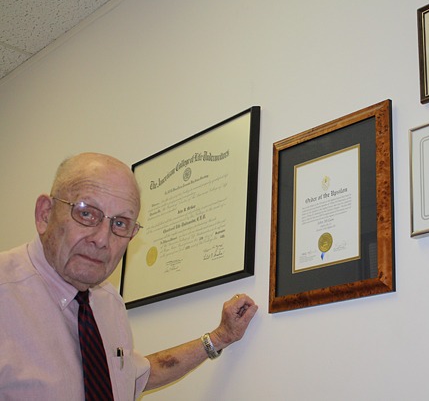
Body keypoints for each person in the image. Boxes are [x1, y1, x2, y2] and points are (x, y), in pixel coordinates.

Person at [0, 153, 258, 400]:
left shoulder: (107, 302)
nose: (102, 239)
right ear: (45, 214)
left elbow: (137, 376)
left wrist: (220, 337)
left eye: (120, 223)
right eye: (86, 213)